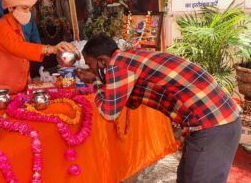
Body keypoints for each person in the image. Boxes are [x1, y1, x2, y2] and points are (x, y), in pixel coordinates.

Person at [76, 35, 241, 183]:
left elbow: (109, 112)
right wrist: (103, 81)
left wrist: (96, 83)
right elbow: (131, 102)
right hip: (216, 121)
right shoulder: (131, 57)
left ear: (103, 61)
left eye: (90, 65)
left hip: (212, 125)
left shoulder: (117, 64)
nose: (90, 70)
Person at [0, 0, 75, 108]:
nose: (28, 12)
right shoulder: (1, 27)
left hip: (11, 93)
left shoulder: (16, 27)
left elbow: (20, 58)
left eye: (30, 8)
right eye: (24, 8)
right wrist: (50, 49)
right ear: (11, 7)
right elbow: (19, 48)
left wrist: (27, 79)